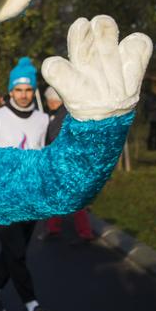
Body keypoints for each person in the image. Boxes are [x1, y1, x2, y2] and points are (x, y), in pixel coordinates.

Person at [0, 58, 59, 311]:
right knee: (16, 251)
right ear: (11, 91)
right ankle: (32, 307)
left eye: (27, 90)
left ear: (32, 90)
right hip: (1, 199)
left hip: (32, 199)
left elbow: (47, 156)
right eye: (18, 89)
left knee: (16, 252)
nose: (23, 95)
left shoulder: (43, 120)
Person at [38, 88, 96, 243]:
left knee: (72, 199)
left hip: (64, 162)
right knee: (59, 197)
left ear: (54, 100)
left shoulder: (62, 116)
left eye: (49, 100)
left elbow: (55, 138)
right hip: (67, 161)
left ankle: (84, 232)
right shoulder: (65, 113)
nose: (48, 103)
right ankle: (53, 227)